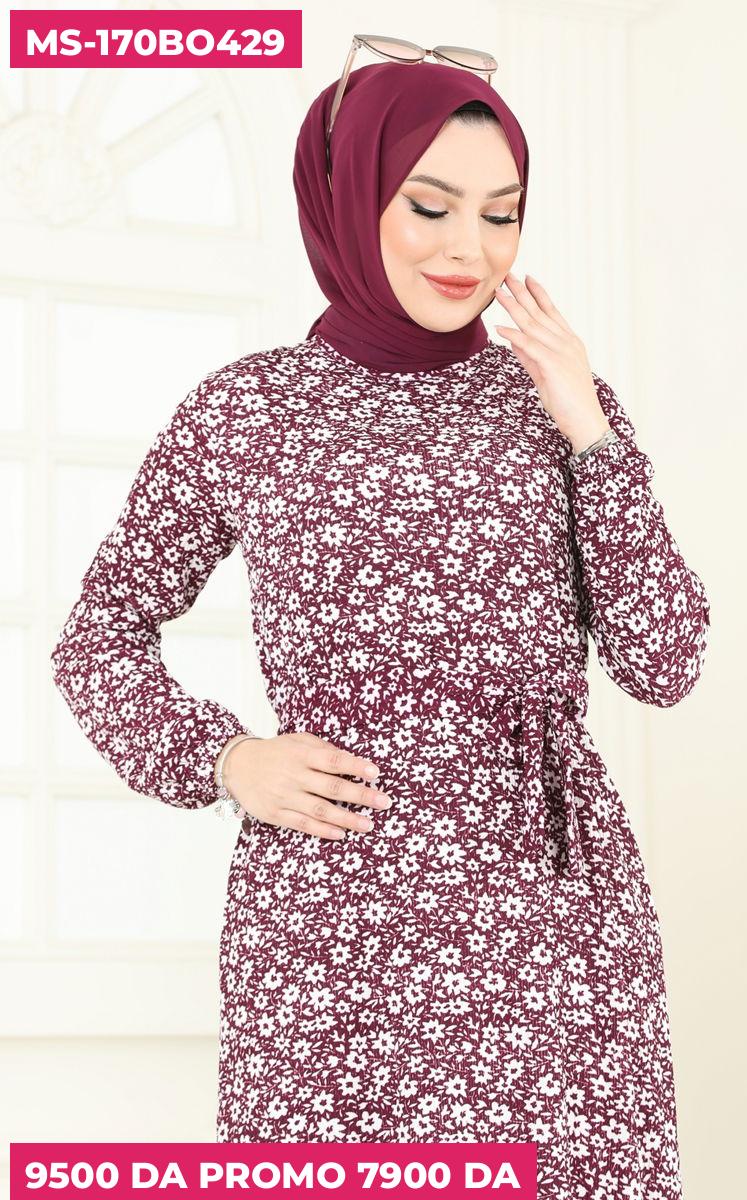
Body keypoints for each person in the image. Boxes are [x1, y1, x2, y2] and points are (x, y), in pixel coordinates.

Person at [50, 55, 710, 1197]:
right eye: (429, 205)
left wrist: (590, 431)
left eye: (501, 214)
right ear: (351, 199)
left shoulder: (558, 406)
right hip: (335, 920)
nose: (469, 249)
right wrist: (225, 758)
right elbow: (99, 635)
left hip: (546, 919)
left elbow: (665, 660)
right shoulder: (249, 410)